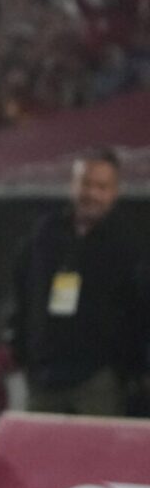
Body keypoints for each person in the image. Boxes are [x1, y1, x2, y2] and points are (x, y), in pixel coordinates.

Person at [10, 147, 148, 417]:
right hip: (44, 377)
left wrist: (133, 370)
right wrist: (21, 353)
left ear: (115, 191)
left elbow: (141, 312)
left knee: (95, 444)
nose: (92, 193)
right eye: (86, 184)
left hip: (99, 380)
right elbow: (22, 294)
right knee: (38, 443)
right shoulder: (44, 234)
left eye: (102, 186)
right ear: (72, 185)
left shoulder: (128, 245)